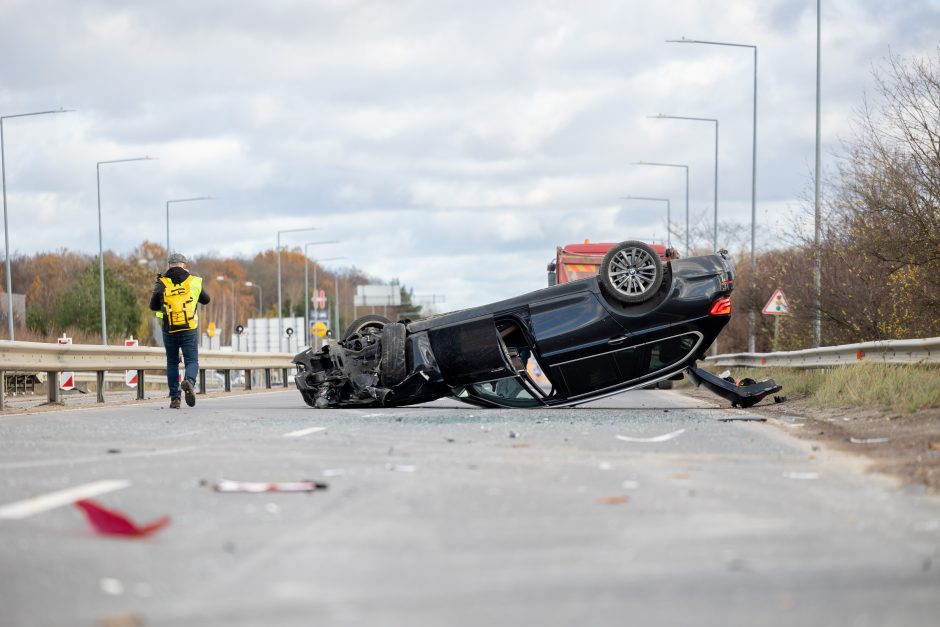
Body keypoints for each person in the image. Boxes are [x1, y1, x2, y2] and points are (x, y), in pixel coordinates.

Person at [149, 253, 210, 409]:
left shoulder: (162, 282)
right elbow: (206, 299)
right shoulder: (193, 281)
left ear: (170, 265)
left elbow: (153, 307)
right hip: (189, 328)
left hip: (169, 329)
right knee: (192, 361)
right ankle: (189, 381)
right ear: (184, 264)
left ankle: (175, 399)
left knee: (172, 363)